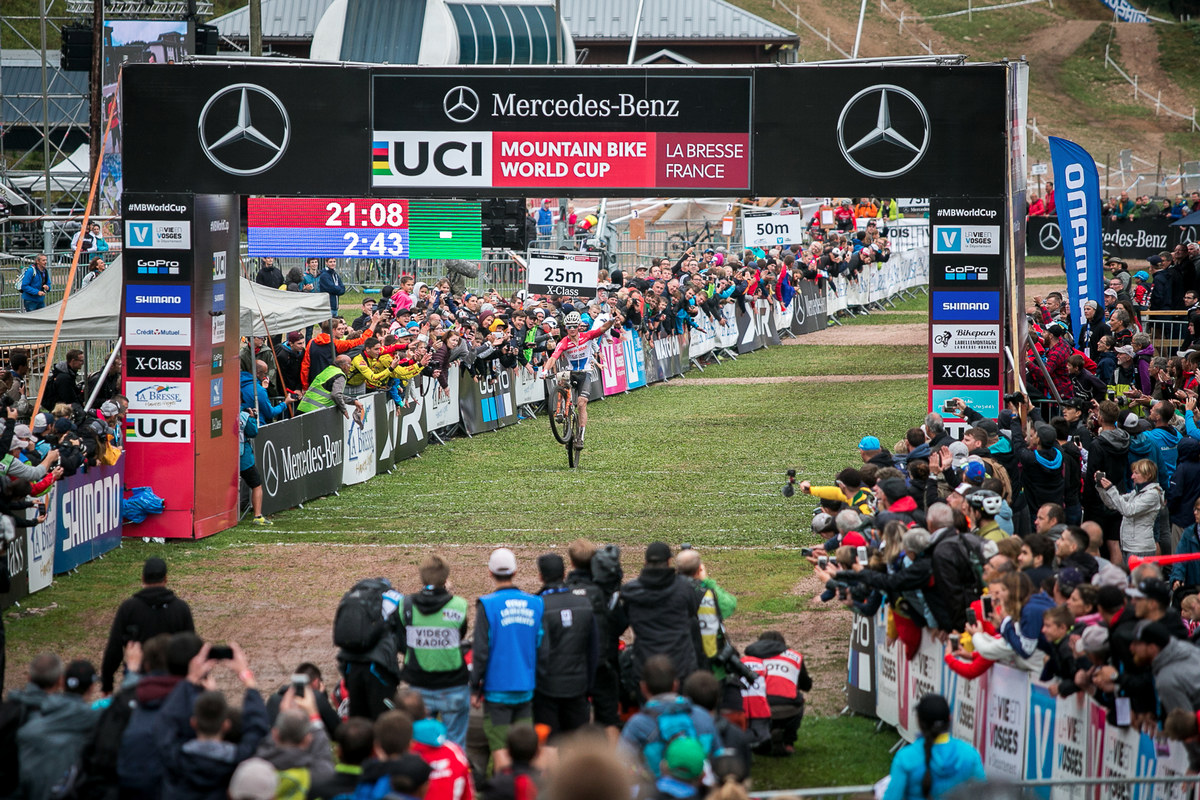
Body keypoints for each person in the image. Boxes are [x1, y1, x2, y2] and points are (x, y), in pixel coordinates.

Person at [471, 548, 544, 772]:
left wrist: (475, 687)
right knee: (525, 750)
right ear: (516, 571)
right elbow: (540, 645)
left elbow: (481, 650)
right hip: (525, 688)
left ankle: (506, 790)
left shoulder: (487, 604)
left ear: (490, 573)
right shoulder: (536, 603)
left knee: (501, 748)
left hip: (497, 691)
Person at [396, 554, 472, 749]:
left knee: (419, 745)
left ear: (422, 577)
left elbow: (397, 638)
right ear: (446, 579)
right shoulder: (459, 605)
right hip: (453, 684)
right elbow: (460, 635)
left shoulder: (405, 605)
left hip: (418, 686)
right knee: (455, 746)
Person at [100, 557, 195, 694]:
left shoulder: (129, 608)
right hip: (172, 680)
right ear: (166, 579)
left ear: (143, 578)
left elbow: (114, 648)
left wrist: (107, 684)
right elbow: (191, 648)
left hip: (138, 677)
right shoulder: (180, 609)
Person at [618, 654, 719, 778]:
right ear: (675, 685)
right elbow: (718, 758)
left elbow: (620, 766)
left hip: (655, 791)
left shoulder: (637, 724)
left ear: (643, 688)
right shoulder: (702, 716)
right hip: (699, 790)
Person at [619, 542, 704, 684]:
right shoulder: (684, 587)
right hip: (680, 667)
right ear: (669, 561)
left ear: (645, 562)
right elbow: (693, 613)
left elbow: (620, 623)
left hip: (646, 667)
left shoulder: (631, 591)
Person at [533, 552, 597, 737]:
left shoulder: (537, 605)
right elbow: (593, 649)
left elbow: (535, 650)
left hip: (547, 689)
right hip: (578, 686)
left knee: (549, 744)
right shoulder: (584, 603)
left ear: (540, 576)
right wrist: (589, 685)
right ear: (564, 573)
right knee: (576, 743)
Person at [881, 694, 984, 800]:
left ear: (919, 721)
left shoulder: (905, 758)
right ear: (950, 718)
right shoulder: (970, 754)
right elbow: (985, 794)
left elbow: (892, 797)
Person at [539, 311, 617, 450]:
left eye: (575, 326)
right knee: (561, 379)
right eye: (569, 327)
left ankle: (580, 435)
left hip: (585, 373)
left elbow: (603, 329)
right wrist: (545, 371)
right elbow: (553, 357)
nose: (572, 329)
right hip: (571, 371)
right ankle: (561, 409)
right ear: (566, 328)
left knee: (582, 403)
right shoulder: (564, 342)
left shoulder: (587, 336)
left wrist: (611, 320)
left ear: (579, 326)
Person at [335, 577, 404, 720]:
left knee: (359, 719)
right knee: (384, 720)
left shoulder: (351, 596)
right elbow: (404, 637)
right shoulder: (396, 598)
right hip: (379, 667)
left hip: (350, 665)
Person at [742, 631, 810, 757]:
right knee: (799, 698)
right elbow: (807, 686)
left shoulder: (750, 659)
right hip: (788, 709)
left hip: (761, 711)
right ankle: (788, 742)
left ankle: (762, 737)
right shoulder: (794, 656)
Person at [297, 355, 364, 421]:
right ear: (344, 365)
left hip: (303, 408)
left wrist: (353, 401)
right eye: (350, 365)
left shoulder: (328, 370)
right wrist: (344, 410)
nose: (350, 368)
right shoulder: (340, 375)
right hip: (315, 412)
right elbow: (336, 395)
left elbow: (330, 394)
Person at [239, 407, 271, 527]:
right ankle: (257, 515)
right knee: (256, 484)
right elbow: (253, 432)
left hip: (227, 455)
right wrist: (252, 417)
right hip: (243, 457)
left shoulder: (224, 412)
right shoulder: (243, 416)